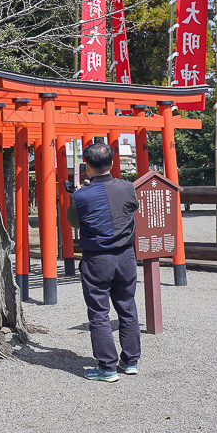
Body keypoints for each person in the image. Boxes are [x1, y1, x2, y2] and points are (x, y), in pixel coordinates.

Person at [66, 142, 140, 382]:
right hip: (126, 256)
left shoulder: (81, 195)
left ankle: (107, 367)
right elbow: (128, 209)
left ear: (86, 166)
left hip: (97, 259)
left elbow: (74, 223)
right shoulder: (128, 187)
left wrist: (77, 195)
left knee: (99, 312)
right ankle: (130, 361)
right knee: (127, 307)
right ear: (111, 163)